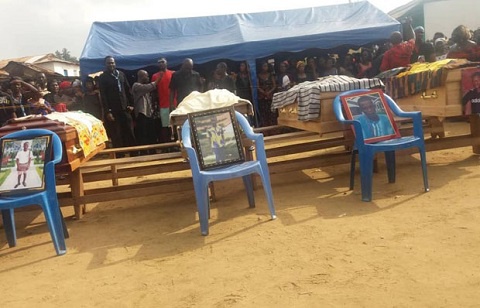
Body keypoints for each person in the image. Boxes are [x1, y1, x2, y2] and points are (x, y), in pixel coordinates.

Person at [98, 56, 136, 151]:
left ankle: (133, 152)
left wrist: (131, 104)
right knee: (116, 134)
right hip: (113, 110)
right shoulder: (103, 77)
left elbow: (128, 90)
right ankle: (120, 155)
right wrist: (107, 112)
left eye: (112, 63)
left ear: (115, 63)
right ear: (105, 64)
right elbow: (103, 96)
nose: (111, 64)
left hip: (125, 108)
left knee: (129, 131)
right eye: (109, 63)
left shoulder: (121, 74)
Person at [132, 70, 160, 153]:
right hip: (141, 113)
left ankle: (152, 151)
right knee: (142, 134)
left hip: (148, 113)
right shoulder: (136, 86)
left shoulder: (144, 87)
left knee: (151, 134)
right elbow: (148, 87)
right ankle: (144, 152)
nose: (148, 78)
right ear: (141, 77)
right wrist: (158, 80)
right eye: (146, 76)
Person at [151, 58, 175, 144]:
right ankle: (167, 145)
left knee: (176, 125)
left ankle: (177, 143)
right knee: (165, 126)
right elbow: (153, 90)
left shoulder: (173, 73)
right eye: (159, 63)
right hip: (163, 104)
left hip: (174, 103)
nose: (161, 64)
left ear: (166, 63)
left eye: (162, 62)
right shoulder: (155, 76)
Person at [257, 61, 277, 127]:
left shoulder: (271, 75)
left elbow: (274, 85)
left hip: (270, 96)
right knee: (264, 113)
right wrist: (263, 92)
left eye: (266, 66)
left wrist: (269, 92)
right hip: (262, 97)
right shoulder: (258, 76)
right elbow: (257, 86)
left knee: (271, 112)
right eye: (264, 66)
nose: (265, 67)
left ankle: (273, 127)